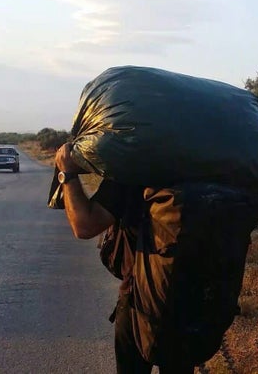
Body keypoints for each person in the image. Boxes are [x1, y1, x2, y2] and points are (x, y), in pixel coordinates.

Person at [54, 142, 196, 374]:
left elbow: (84, 226)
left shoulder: (134, 169)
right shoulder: (205, 166)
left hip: (140, 298)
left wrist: (67, 174)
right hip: (198, 295)